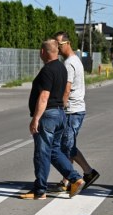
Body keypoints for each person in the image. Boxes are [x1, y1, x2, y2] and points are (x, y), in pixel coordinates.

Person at [20, 38, 85, 200]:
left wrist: (36, 118)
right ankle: (75, 179)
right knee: (54, 150)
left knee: (42, 153)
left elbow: (44, 96)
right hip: (60, 114)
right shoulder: (62, 68)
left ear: (42, 52)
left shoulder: (48, 70)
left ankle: (40, 190)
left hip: (47, 115)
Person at [53, 31, 100, 191]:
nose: (57, 49)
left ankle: (86, 173)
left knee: (66, 145)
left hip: (72, 110)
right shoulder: (74, 60)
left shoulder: (69, 63)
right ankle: (70, 179)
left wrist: (60, 108)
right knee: (67, 146)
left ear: (67, 43)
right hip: (76, 110)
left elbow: (67, 89)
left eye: (58, 45)